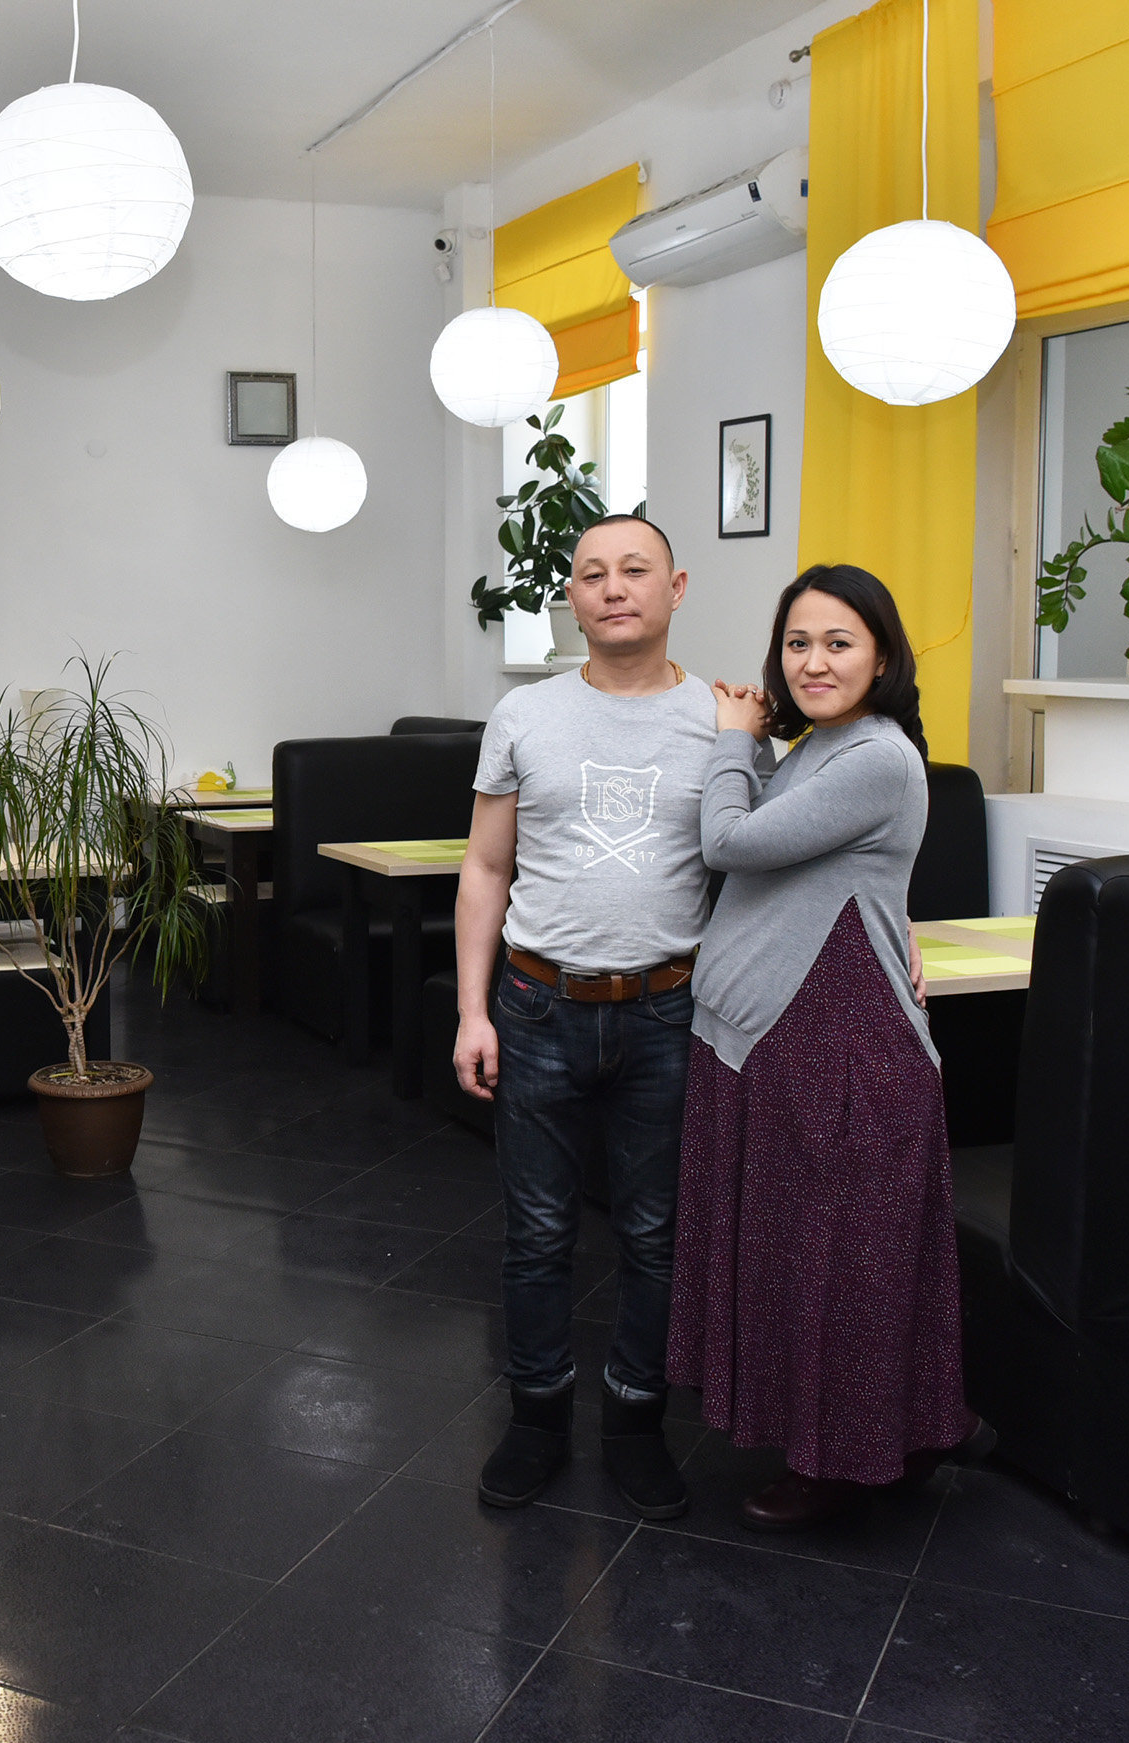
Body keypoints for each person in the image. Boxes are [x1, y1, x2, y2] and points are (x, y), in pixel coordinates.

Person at [669, 562, 989, 1531]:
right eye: (798, 642)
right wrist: (765, 743)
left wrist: (734, 739)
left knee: (834, 1268)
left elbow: (730, 842)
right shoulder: (825, 746)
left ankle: (838, 1462)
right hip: (785, 1038)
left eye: (838, 642)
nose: (813, 661)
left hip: (836, 1045)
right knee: (802, 1260)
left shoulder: (877, 757)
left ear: (882, 658)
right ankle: (896, 1435)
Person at [452, 512, 720, 1520]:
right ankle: (536, 1419)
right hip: (535, 1006)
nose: (614, 588)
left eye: (635, 570)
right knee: (536, 1234)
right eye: (593, 573)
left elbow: (783, 852)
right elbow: (485, 868)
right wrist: (471, 1012)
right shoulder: (525, 715)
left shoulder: (725, 718)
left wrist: (888, 919)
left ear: (675, 588)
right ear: (571, 595)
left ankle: (636, 1425)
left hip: (667, 1011)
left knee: (654, 1235)